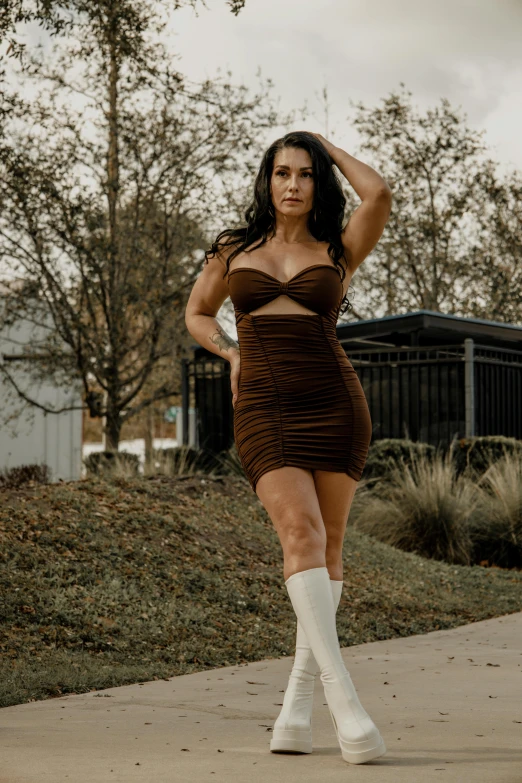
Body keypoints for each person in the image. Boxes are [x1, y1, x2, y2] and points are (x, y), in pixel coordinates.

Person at [184, 130, 392, 765]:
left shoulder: (338, 248)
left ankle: (295, 714)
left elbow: (378, 191)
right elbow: (197, 313)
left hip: (335, 402)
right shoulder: (234, 248)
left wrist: (324, 144)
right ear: (267, 181)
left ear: (318, 180)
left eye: (305, 172)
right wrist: (230, 351)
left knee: (327, 552)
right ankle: (346, 705)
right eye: (282, 172)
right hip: (265, 405)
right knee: (299, 533)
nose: (294, 184)